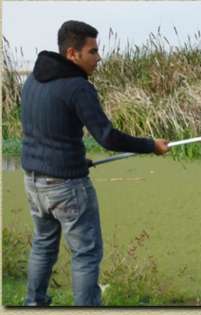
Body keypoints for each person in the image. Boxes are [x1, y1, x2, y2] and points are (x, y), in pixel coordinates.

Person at [20, 20, 170, 306]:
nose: (99, 58)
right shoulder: (77, 87)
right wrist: (151, 145)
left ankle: (33, 304)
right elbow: (108, 137)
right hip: (66, 187)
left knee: (42, 245)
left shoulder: (34, 79)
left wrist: (75, 158)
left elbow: (45, 130)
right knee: (86, 254)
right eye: (93, 51)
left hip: (33, 182)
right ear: (72, 54)